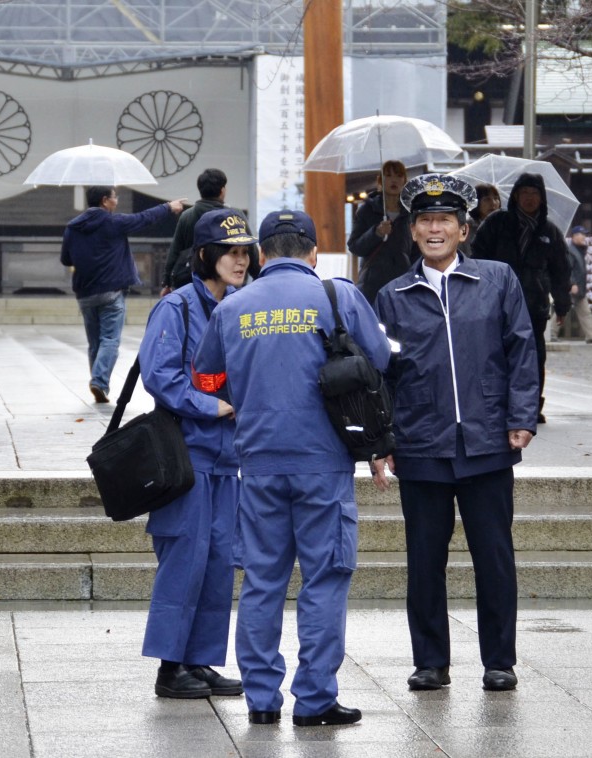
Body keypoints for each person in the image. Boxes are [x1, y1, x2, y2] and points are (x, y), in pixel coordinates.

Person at [191, 210, 390, 727]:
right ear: (312, 253)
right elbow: (379, 361)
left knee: (261, 581)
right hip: (324, 463)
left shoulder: (233, 306)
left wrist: (248, 392)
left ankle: (261, 701)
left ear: (260, 255)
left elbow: (207, 376)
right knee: (325, 579)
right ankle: (316, 699)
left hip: (256, 464)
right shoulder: (337, 296)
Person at [372, 173, 539, 694]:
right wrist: (382, 441)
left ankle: (500, 661)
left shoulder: (497, 279)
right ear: (413, 232)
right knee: (424, 560)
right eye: (425, 220)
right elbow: (380, 375)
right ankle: (430, 661)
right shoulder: (392, 296)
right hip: (420, 444)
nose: (435, 228)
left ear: (464, 230)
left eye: (445, 220)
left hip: (487, 441)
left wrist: (520, 416)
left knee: (494, 556)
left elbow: (521, 349)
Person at [138, 208, 256, 700]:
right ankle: (170, 668)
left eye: (245, 251)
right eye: (230, 251)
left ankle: (200, 660)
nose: (240, 260)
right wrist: (212, 405)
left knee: (216, 563)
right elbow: (160, 376)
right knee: (184, 561)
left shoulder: (237, 307)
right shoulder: (178, 308)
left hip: (226, 460)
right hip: (187, 457)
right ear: (204, 255)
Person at [60, 186, 187, 404]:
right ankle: (99, 381)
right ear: (104, 200)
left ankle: (98, 381)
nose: (116, 201)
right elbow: (144, 218)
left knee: (95, 342)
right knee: (110, 339)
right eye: (114, 197)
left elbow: (66, 259)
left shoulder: (73, 227)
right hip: (111, 290)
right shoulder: (112, 223)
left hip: (85, 293)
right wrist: (168, 207)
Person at [470, 173, 571, 423]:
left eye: (534, 193)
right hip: (496, 299)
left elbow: (561, 270)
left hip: (534, 302)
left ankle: (531, 406)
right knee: (496, 352)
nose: (529, 198)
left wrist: (562, 303)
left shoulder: (550, 231)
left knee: (534, 355)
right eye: (524, 192)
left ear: (542, 197)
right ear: (515, 195)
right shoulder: (497, 222)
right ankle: (495, 401)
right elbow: (477, 256)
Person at [161, 168, 258, 293]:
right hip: (226, 285)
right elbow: (251, 251)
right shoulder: (235, 217)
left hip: (192, 281)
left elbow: (175, 250)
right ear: (222, 190)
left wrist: (167, 282)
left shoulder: (187, 216)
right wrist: (260, 276)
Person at [347, 159, 416, 305]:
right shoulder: (367, 210)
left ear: (404, 180)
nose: (394, 180)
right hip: (372, 286)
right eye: (388, 175)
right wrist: (376, 233)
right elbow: (354, 246)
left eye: (398, 176)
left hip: (403, 284)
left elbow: (417, 251)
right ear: (380, 180)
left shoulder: (411, 213)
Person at [552, 225, 592, 344]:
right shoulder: (571, 251)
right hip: (572, 287)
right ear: (575, 236)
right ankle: (551, 333)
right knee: (562, 310)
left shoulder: (578, 250)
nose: (585, 237)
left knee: (585, 312)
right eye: (583, 234)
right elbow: (568, 269)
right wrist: (572, 284)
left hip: (579, 288)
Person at [464, 182, 501, 255]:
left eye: (496, 198)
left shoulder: (505, 226)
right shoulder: (467, 228)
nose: (493, 203)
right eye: (487, 199)